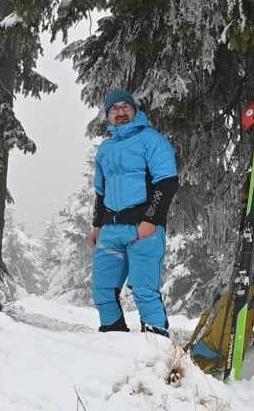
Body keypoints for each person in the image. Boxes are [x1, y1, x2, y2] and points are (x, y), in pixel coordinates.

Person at [88, 89, 179, 337]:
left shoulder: (151, 140)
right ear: (108, 115)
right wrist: (98, 224)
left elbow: (167, 182)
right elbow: (101, 190)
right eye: (114, 108)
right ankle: (114, 342)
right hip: (110, 229)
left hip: (143, 228)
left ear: (134, 111)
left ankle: (156, 350)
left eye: (125, 107)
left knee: (144, 289)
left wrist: (151, 219)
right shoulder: (105, 149)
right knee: (103, 291)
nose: (120, 112)